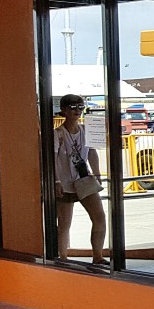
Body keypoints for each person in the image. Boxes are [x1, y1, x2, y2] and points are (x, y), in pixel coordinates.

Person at [53, 95, 107, 265]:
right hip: (65, 182)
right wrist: (56, 181)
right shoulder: (58, 134)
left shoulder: (85, 130)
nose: (77, 111)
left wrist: (97, 174)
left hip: (84, 180)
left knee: (99, 217)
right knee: (64, 223)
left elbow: (92, 152)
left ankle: (97, 256)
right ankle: (62, 257)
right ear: (64, 110)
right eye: (73, 107)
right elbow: (52, 159)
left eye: (80, 107)